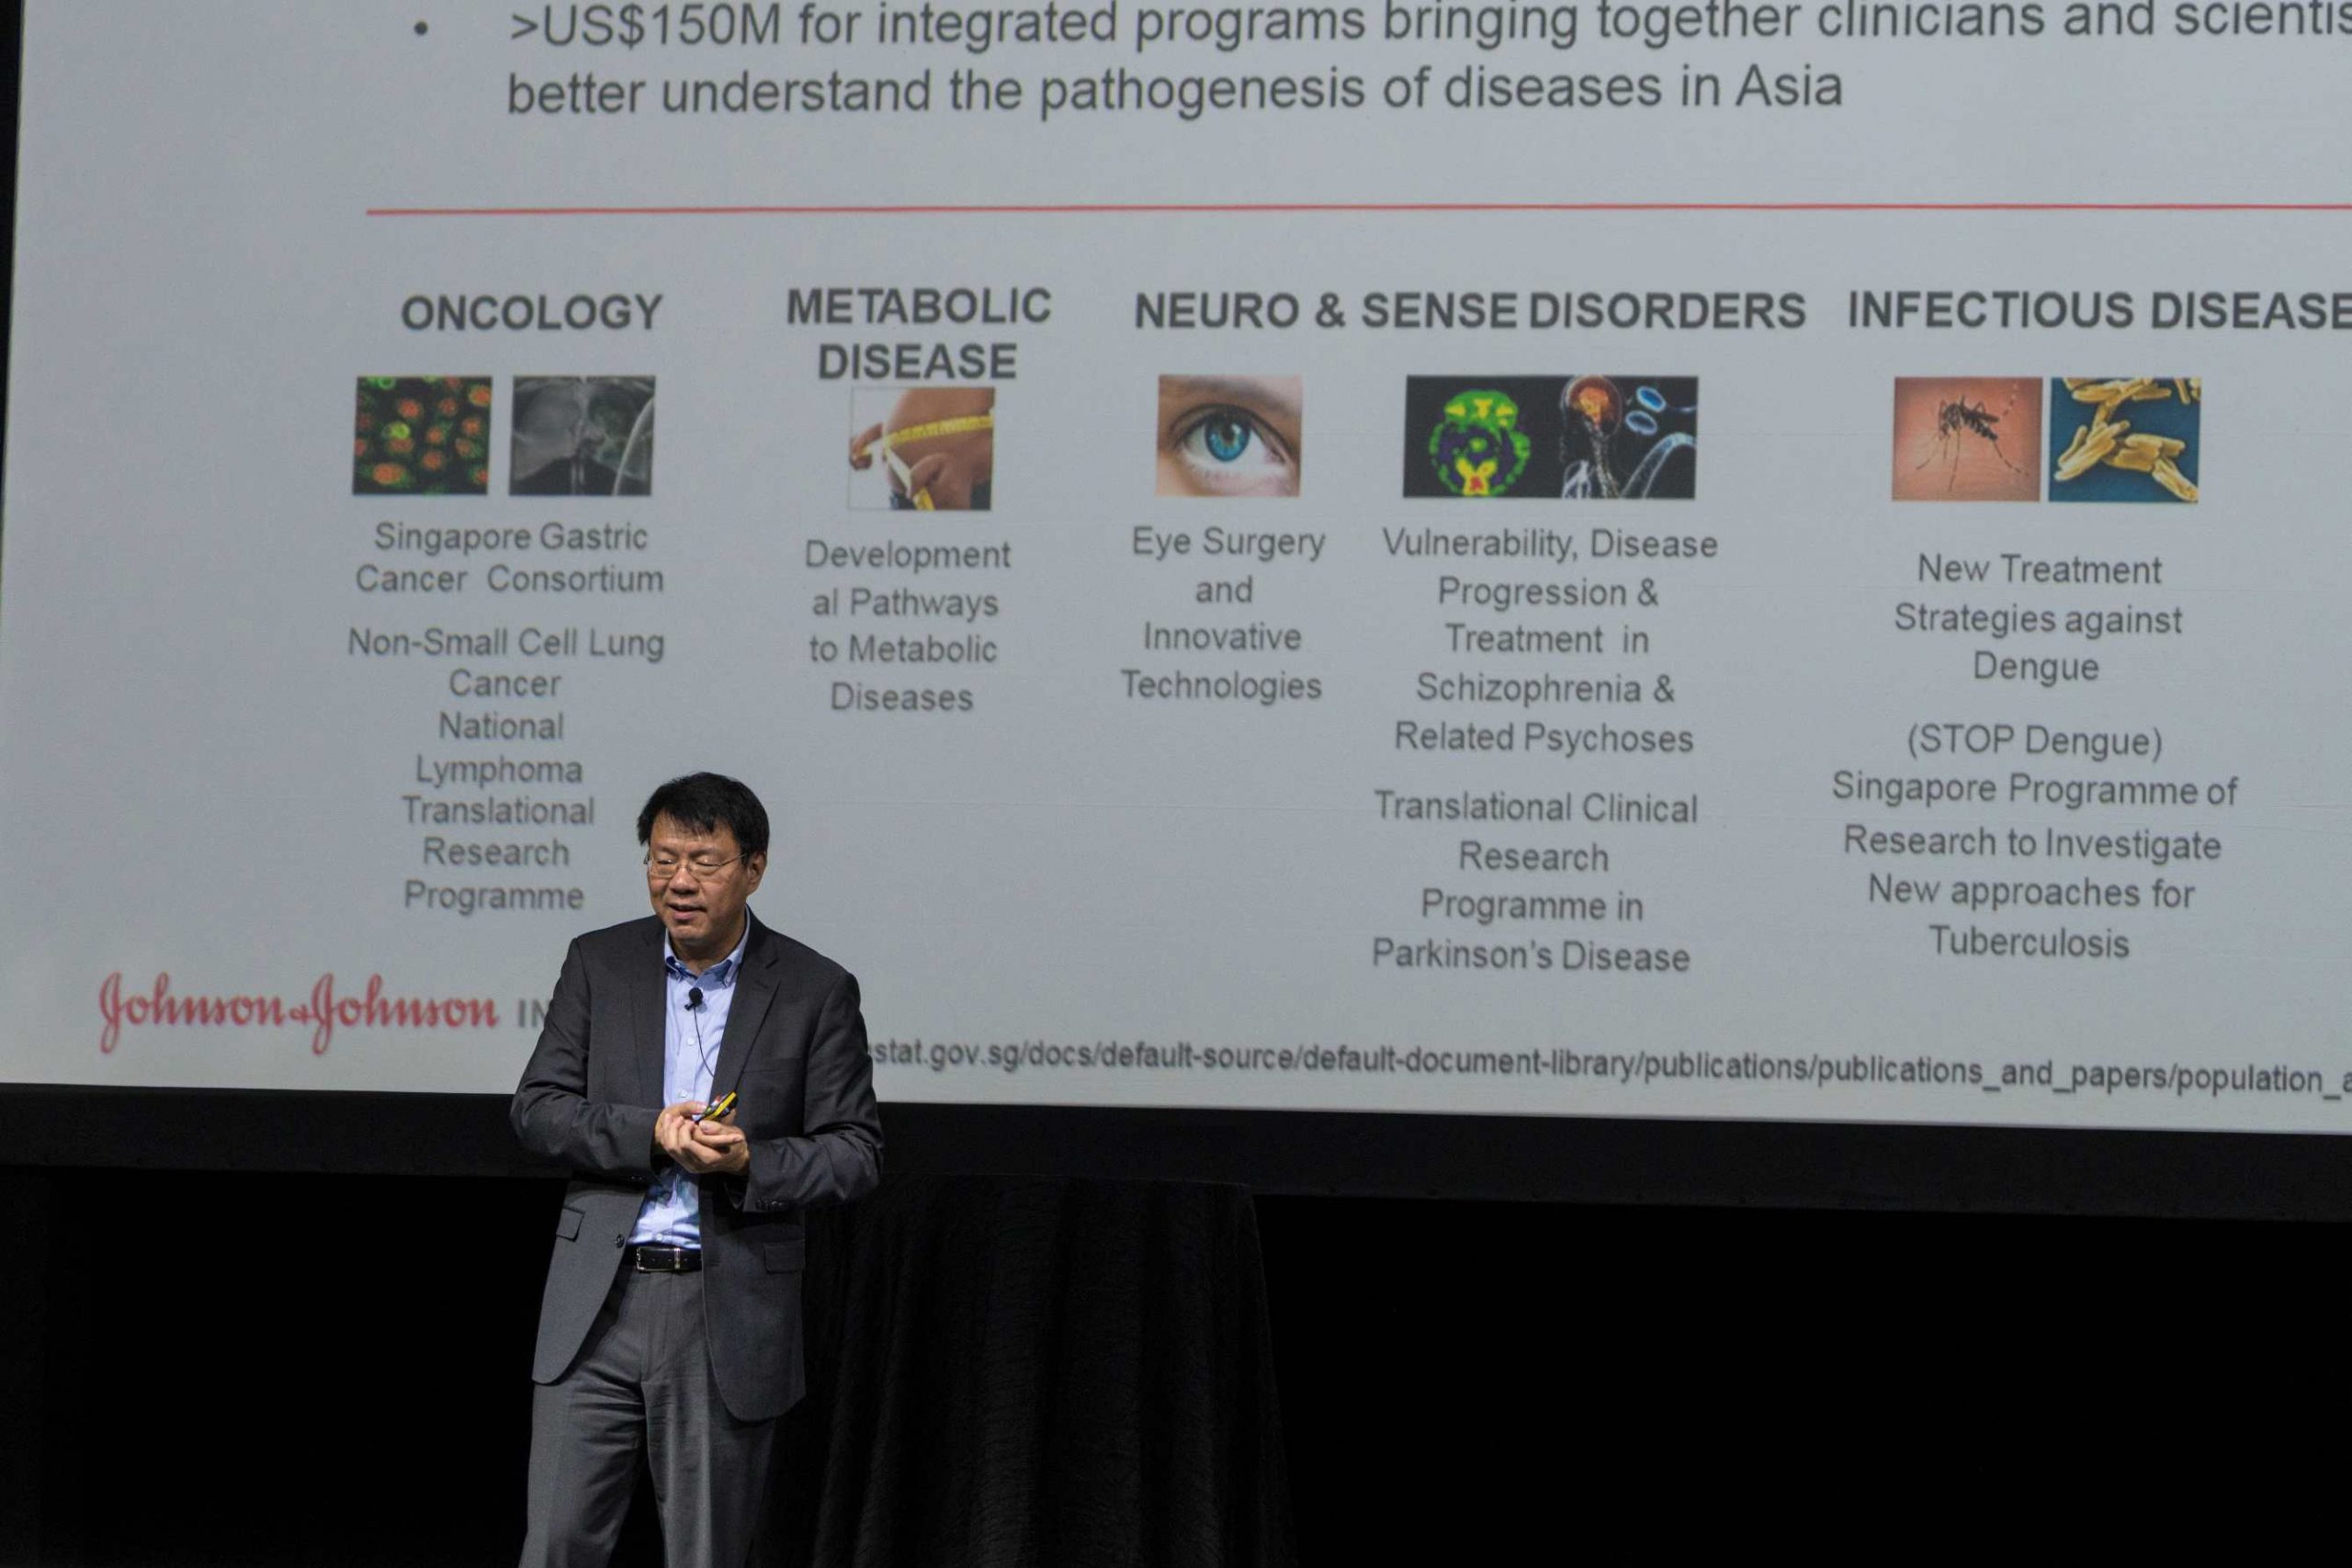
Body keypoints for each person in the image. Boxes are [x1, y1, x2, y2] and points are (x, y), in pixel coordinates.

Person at [513, 773, 883, 1567]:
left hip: (723, 1310)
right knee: (555, 1545)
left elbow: (855, 1151)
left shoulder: (815, 989)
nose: (679, 881)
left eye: (704, 862)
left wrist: (751, 1159)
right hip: (597, 1304)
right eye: (663, 859)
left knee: (707, 1551)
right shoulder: (599, 963)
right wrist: (647, 1132)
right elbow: (538, 1108)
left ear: (754, 868)